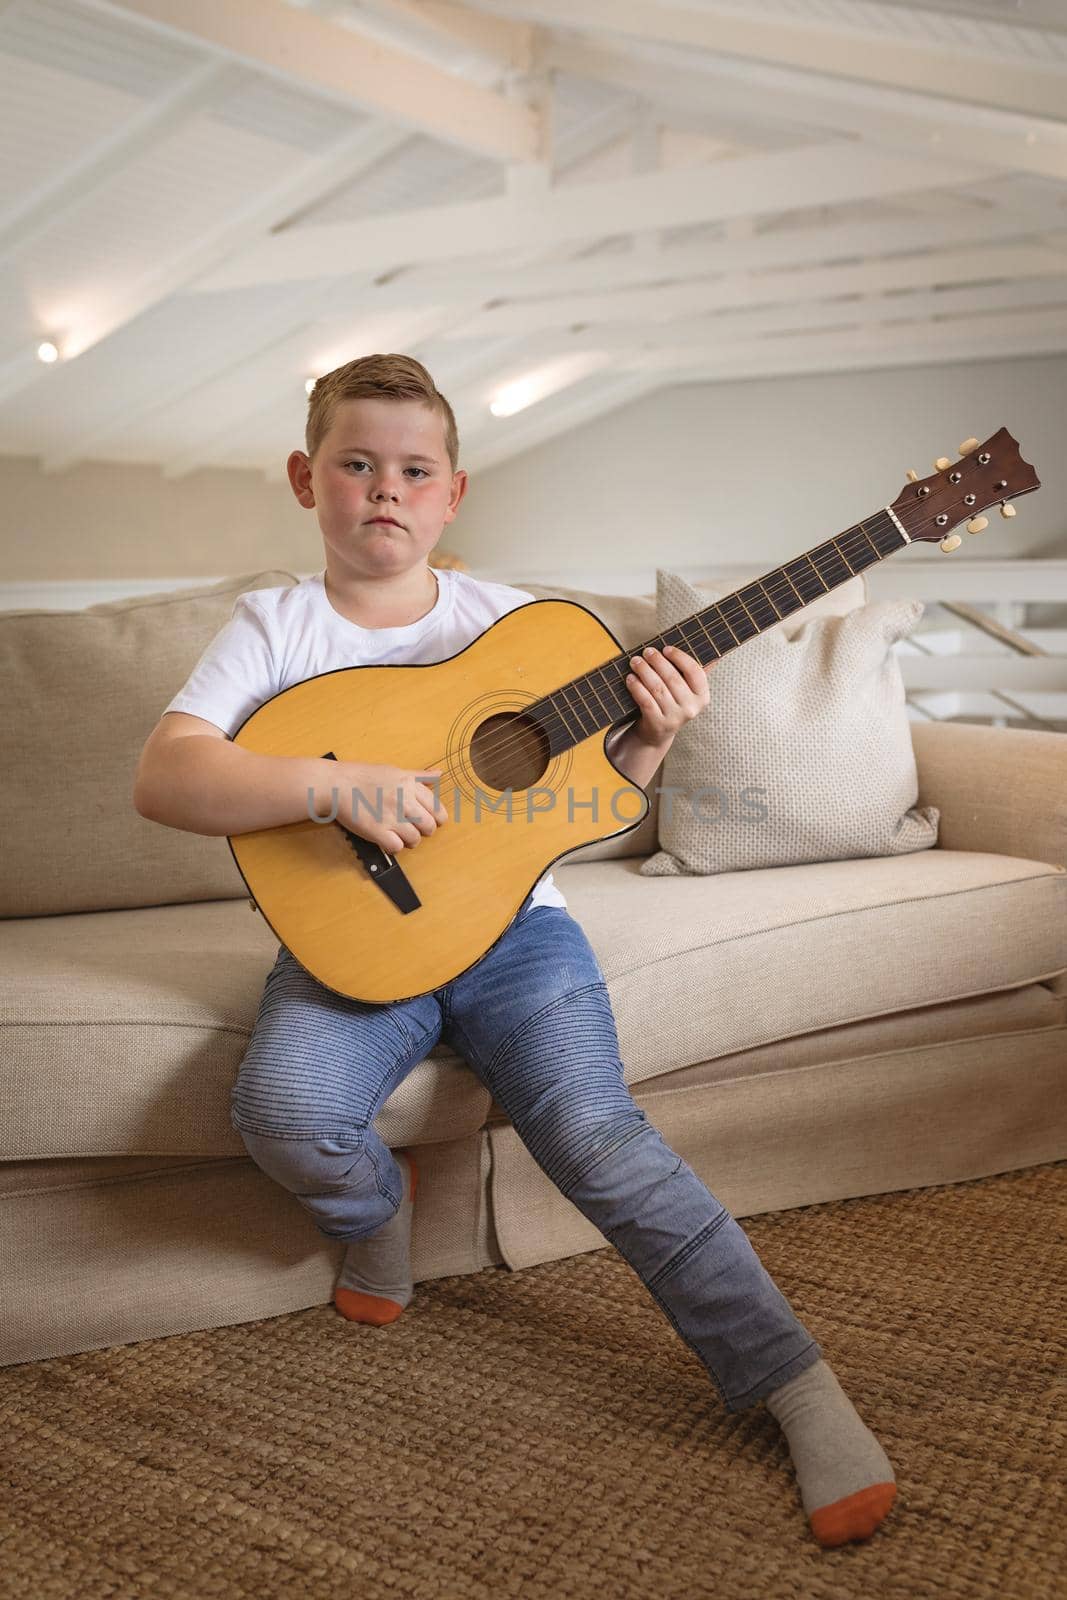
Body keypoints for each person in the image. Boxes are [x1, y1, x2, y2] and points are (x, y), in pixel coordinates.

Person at [133, 353, 896, 1549]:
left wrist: (645, 742)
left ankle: (795, 1383)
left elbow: (586, 805)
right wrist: (333, 784)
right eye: (357, 464)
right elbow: (167, 775)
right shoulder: (273, 626)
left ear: (453, 494)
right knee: (284, 1111)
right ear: (305, 479)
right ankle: (377, 1209)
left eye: (414, 470)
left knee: (598, 1134)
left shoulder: (511, 626)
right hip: (352, 939)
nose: (385, 488)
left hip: (518, 941)